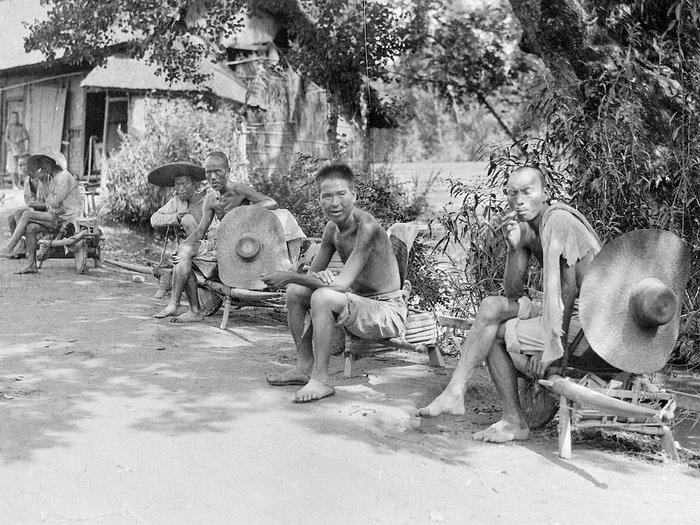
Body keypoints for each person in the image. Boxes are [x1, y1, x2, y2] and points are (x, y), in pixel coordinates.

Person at [418, 166, 601, 443]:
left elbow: (569, 289)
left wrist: (549, 350)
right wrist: (515, 246)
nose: (519, 200)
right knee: (491, 306)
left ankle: (512, 420)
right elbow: (513, 292)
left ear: (545, 194)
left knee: (491, 335)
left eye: (527, 192)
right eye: (512, 193)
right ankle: (456, 391)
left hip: (589, 323)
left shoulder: (559, 221)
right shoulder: (530, 229)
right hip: (556, 309)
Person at [262, 163, 408, 403]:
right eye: (326, 196)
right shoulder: (333, 229)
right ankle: (305, 366)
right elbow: (315, 275)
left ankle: (321, 379)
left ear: (354, 195)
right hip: (357, 304)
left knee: (321, 295)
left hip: (387, 311)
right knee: (295, 292)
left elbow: (339, 287)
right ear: (319, 199)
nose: (334, 202)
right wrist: (315, 277)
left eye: (341, 194)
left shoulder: (367, 227)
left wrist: (288, 275)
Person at [154, 151, 278, 322]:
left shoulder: (239, 190)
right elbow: (199, 232)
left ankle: (183, 306)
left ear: (228, 171)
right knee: (183, 254)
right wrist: (181, 248)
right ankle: (187, 308)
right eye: (208, 172)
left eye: (217, 171)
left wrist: (243, 214)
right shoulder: (211, 199)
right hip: (219, 244)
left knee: (186, 254)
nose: (212, 177)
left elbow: (272, 202)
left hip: (242, 246)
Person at [0, 152, 82, 274]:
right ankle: (31, 265)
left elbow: (53, 202)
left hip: (67, 218)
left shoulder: (64, 177)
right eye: (42, 164)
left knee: (26, 215)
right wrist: (49, 201)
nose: (43, 167)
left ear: (53, 163)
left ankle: (10, 247)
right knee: (30, 228)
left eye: (46, 163)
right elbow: (49, 202)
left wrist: (48, 197)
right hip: (57, 216)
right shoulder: (52, 178)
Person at [149, 161, 209, 238]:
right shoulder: (177, 201)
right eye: (178, 184)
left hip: (210, 244)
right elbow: (154, 219)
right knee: (186, 219)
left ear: (194, 184)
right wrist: (175, 218)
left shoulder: (208, 198)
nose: (181, 189)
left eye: (184, 184)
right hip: (188, 246)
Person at [5, 154, 38, 257]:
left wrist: (33, 203)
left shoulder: (37, 179)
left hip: (43, 209)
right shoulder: (28, 180)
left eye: (25, 165)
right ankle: (21, 245)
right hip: (34, 207)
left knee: (18, 213)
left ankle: (28, 246)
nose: (23, 168)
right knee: (10, 219)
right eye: (20, 166)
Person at [4, 112, 29, 189]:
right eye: (13, 117)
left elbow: (27, 136)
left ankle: (19, 184)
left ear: (18, 118)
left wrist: (21, 139)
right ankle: (14, 184)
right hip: (12, 149)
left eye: (16, 117)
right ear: (11, 118)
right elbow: (5, 138)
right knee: (12, 167)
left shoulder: (21, 126)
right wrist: (11, 143)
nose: (15, 119)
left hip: (20, 149)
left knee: (20, 166)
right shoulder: (9, 126)